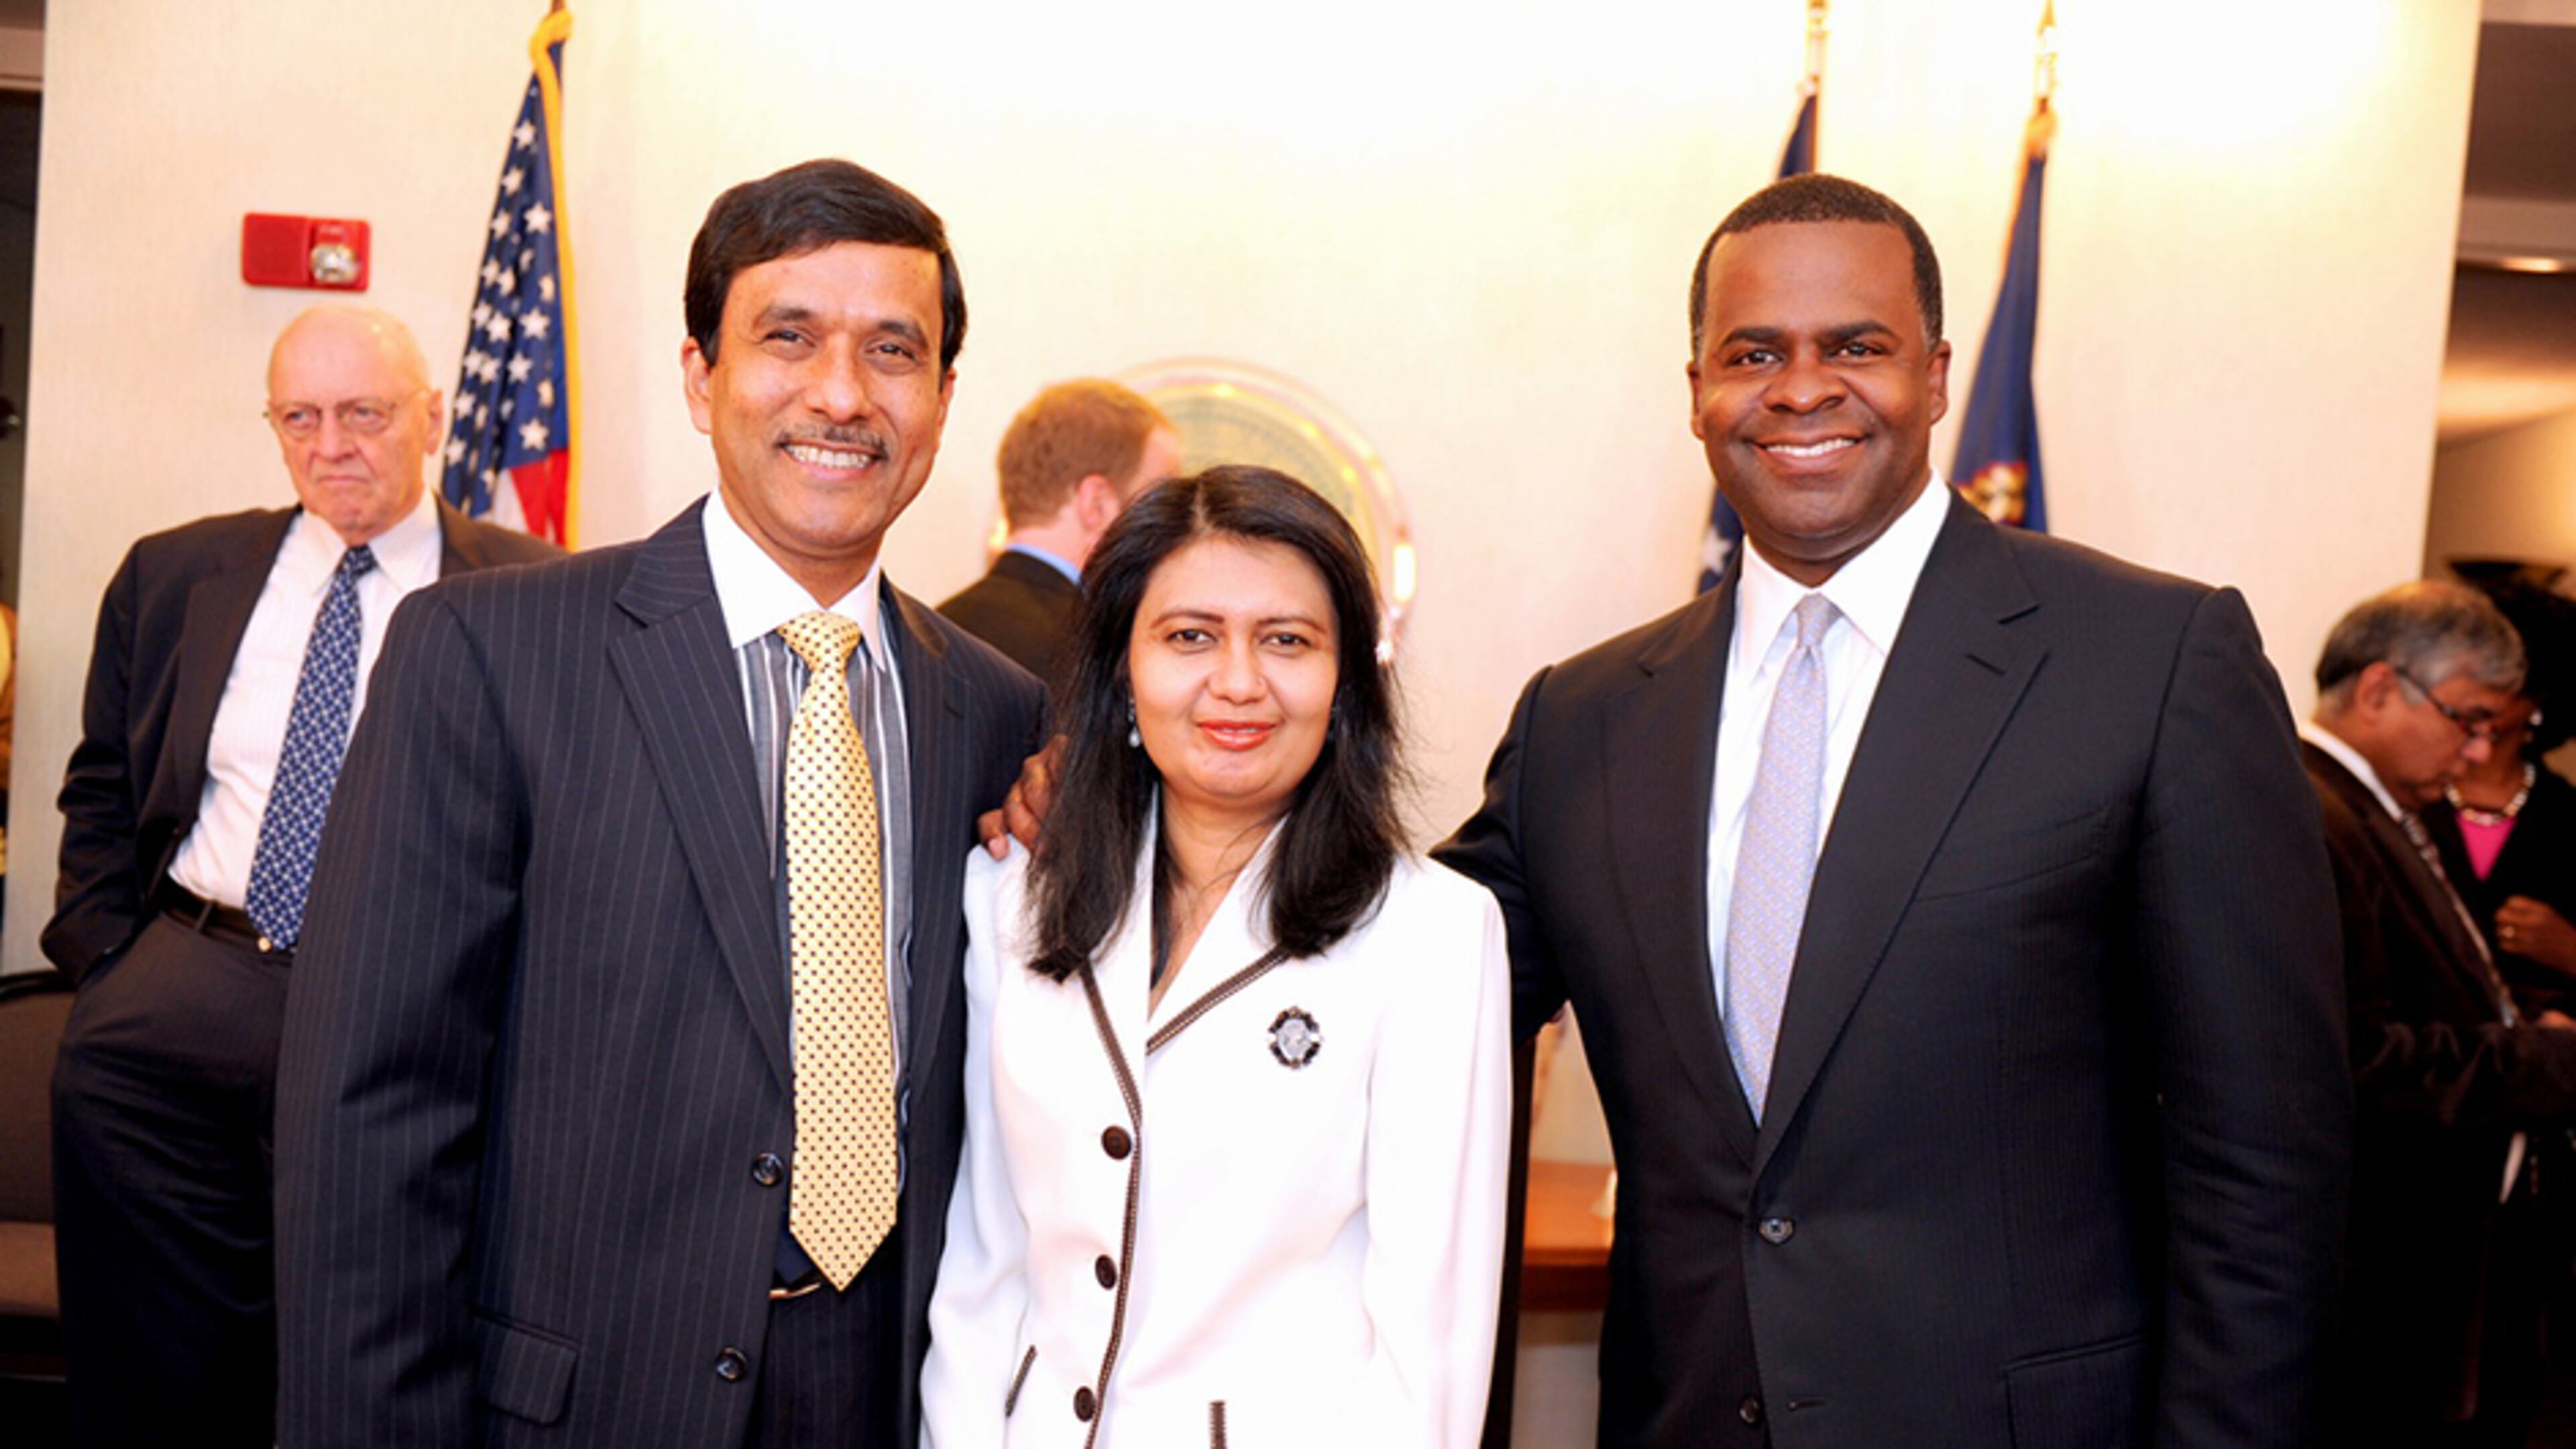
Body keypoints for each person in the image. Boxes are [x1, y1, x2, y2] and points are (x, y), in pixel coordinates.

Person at [1431, 174, 2348, 1445]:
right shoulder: (1579, 721)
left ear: (1938, 372)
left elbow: (2265, 1167)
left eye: (1855, 346)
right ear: (1695, 390)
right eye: (1753, 353)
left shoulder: (2154, 660)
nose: (1802, 389)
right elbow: (1398, 967)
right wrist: (1125, 820)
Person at [272, 159, 1046, 1448]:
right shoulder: (489, 653)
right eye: (786, 337)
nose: (841, 394)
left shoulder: (1004, 714)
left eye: (892, 351)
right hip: (579, 1411)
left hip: (891, 1400)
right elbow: (371, 1123)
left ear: (945, 399)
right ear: (701, 376)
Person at [41, 303, 558, 1447]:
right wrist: (110, 964)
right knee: (145, 1364)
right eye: (300, 418)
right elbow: (101, 788)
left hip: (388, 1012)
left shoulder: (528, 594)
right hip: (175, 1000)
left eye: (365, 413)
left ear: (429, 418)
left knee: (345, 1346)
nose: (332, 445)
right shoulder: (177, 573)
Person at [924, 466, 1510, 1447]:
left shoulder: (1433, 934)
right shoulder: (1011, 896)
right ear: (1123, 670)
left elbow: (1430, 1350)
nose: (1238, 682)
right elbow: (984, 1263)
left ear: (1345, 683)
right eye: (1190, 636)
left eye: (1287, 640)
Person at [2301, 582, 2576, 1446]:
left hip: (2443, 1275)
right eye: (2469, 719)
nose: (2475, 751)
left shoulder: (2373, 808)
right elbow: (2357, 1058)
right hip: (2376, 1283)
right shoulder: (2318, 813)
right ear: (2381, 689)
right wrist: (2554, 1061)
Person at [938, 378, 1183, 683]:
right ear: (1096, 504)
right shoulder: (1101, 653)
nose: (1172, 530)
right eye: (1158, 504)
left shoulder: (929, 634)